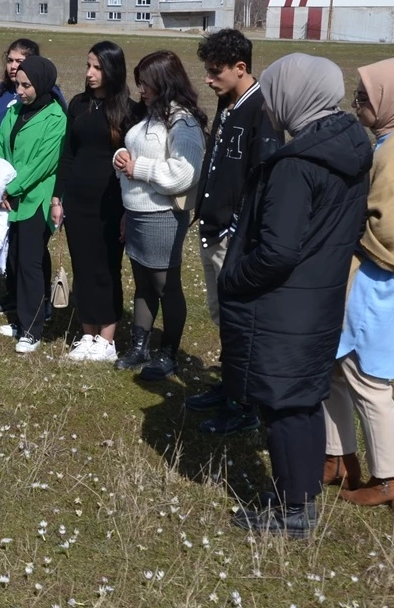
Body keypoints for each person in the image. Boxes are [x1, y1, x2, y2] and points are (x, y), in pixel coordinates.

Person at [222, 54, 371, 539]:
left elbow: (278, 251)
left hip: (285, 303)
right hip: (320, 296)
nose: (268, 101)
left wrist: (236, 276)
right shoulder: (347, 147)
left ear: (295, 95)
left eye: (274, 90)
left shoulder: (296, 166)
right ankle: (299, 496)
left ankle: (292, 513)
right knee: (303, 401)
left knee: (283, 407)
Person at [322, 58, 394, 510]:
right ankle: (338, 456)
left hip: (378, 284)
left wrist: (345, 237)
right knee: (333, 368)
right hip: (372, 278)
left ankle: (390, 479)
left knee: (367, 380)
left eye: (365, 96)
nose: (357, 103)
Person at [187, 29, 283, 434]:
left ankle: (244, 404)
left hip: (234, 237)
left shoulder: (262, 110)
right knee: (222, 315)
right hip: (213, 227)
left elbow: (262, 179)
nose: (208, 79)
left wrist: (239, 231)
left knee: (240, 321)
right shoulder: (227, 104)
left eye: (215, 72)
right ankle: (229, 386)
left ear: (241, 68)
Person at [112, 51, 207, 379]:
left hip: (162, 215)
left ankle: (168, 354)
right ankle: (140, 347)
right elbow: (133, 151)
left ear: (165, 82)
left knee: (166, 286)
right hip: (136, 211)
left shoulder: (183, 122)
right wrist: (122, 156)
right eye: (139, 82)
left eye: (146, 82)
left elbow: (184, 173)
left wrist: (138, 167)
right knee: (142, 284)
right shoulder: (152, 115)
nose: (140, 88)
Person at [54, 41, 134, 363]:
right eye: (88, 66)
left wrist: (128, 211)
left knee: (107, 267)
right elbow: (68, 155)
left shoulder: (129, 110)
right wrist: (58, 198)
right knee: (83, 267)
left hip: (112, 203)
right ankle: (87, 333)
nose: (89, 73)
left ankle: (107, 337)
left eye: (97, 68)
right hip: (77, 200)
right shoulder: (77, 105)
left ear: (112, 70)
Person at [0, 55, 67, 354]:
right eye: (18, 85)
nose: (19, 91)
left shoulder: (56, 118)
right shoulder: (15, 111)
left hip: (35, 200)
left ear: (42, 85)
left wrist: (12, 188)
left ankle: (32, 329)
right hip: (11, 197)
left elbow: (43, 164)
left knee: (30, 262)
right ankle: (21, 320)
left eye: (26, 85)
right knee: (16, 259)